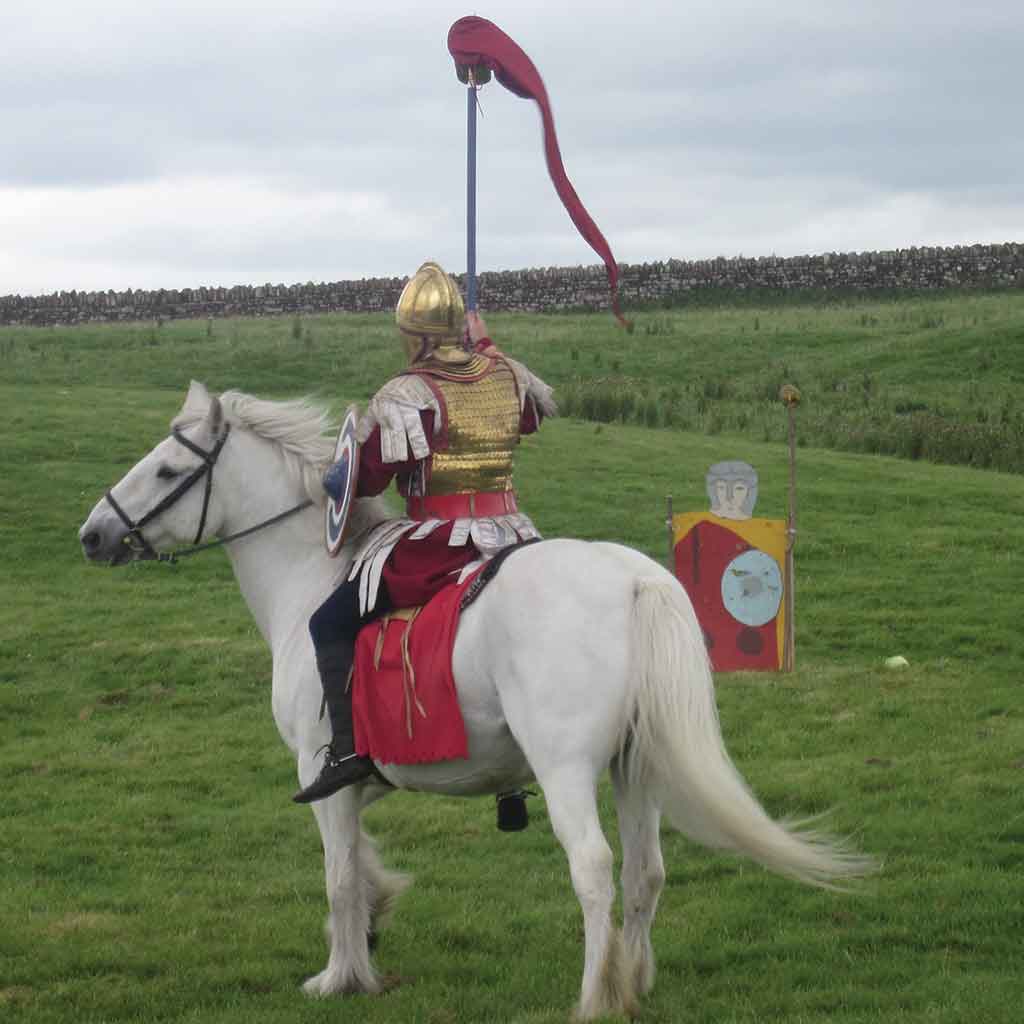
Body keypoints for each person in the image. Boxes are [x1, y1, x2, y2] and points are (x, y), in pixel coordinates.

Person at [293, 260, 555, 804]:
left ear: (414, 338)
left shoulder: (409, 393)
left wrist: (336, 473)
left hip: (441, 542)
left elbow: (367, 476)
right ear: (462, 328)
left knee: (331, 621)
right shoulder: (505, 373)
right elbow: (529, 418)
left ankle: (345, 750)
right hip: (514, 537)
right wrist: (489, 350)